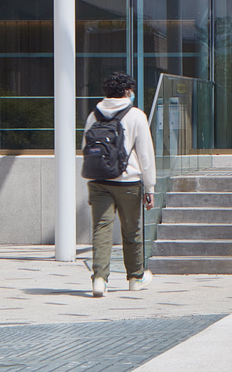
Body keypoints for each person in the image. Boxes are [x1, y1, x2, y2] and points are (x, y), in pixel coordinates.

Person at [85, 71, 158, 296]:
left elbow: (86, 147)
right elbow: (145, 155)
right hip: (128, 182)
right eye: (131, 90)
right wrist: (150, 187)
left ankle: (99, 279)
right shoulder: (136, 115)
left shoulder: (94, 115)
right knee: (131, 230)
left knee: (101, 229)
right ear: (127, 91)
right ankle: (135, 277)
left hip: (99, 181)